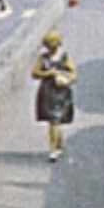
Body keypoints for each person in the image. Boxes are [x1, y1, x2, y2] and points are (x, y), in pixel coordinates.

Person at [32, 31, 78, 162]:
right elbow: (34, 73)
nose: (50, 48)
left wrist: (65, 78)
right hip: (47, 92)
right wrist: (48, 73)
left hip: (61, 92)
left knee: (56, 120)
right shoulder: (43, 58)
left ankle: (55, 147)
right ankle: (56, 147)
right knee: (54, 120)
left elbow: (74, 74)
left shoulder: (65, 57)